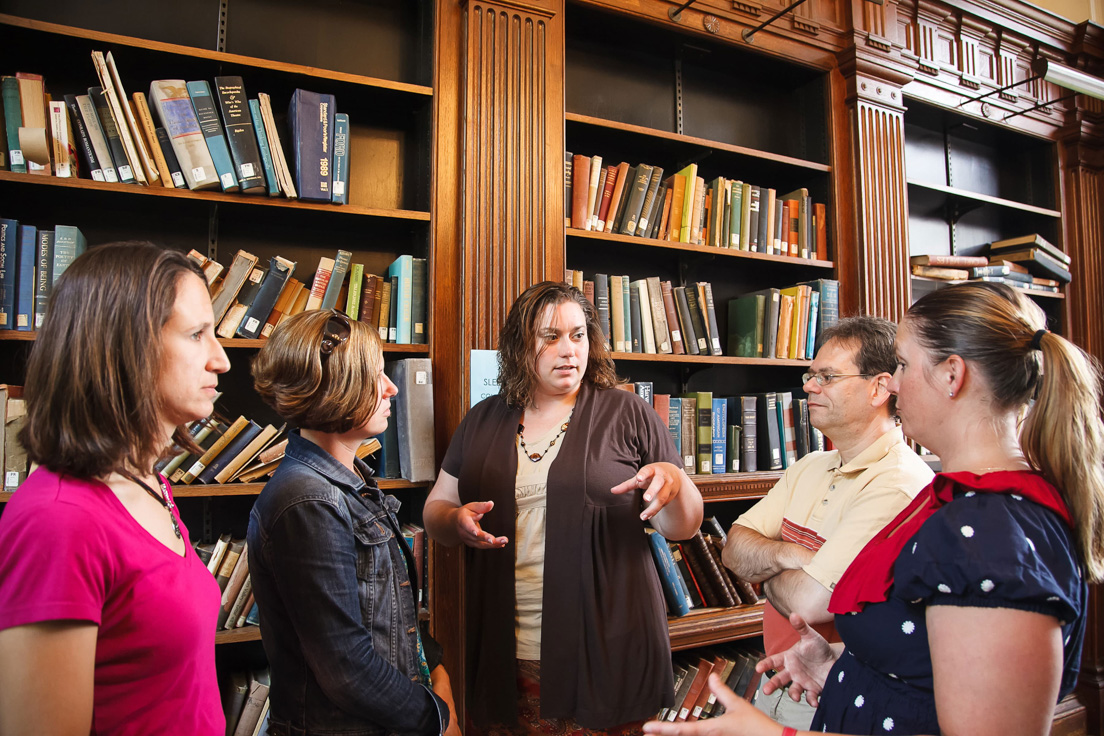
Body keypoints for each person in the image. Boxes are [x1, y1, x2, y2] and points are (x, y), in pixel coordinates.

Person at [643, 281, 1104, 736]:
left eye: (902, 365)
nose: (895, 384)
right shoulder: (961, 506)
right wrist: (847, 665)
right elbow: (931, 655)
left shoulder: (987, 530)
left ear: (952, 375)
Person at [424, 280, 704, 734]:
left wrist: (674, 484)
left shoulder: (628, 412)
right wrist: (455, 521)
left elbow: (684, 527)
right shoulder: (482, 419)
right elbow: (437, 509)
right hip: (506, 648)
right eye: (550, 337)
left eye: (578, 335)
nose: (569, 350)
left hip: (607, 648)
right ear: (520, 345)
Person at [0, 242, 231, 735]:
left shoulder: (153, 485)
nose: (222, 360)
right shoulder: (58, 519)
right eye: (197, 335)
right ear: (124, 346)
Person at [248, 308, 458, 736]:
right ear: (339, 387)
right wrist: (436, 718)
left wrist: (436, 668)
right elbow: (346, 667)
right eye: (375, 375)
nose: (392, 388)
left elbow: (390, 614)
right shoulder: (307, 501)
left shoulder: (351, 484)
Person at [721, 317, 933, 729]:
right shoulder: (809, 466)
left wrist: (762, 569)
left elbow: (810, 605)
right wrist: (794, 555)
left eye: (827, 377)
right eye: (810, 374)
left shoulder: (901, 484)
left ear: (879, 387)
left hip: (832, 693)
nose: (808, 387)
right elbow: (732, 548)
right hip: (777, 681)